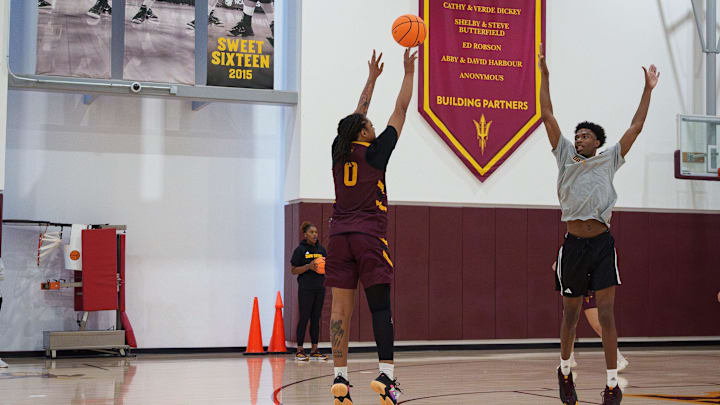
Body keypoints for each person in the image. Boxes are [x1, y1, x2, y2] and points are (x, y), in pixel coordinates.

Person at [539, 43, 659, 405]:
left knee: (606, 313)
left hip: (602, 244)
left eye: (585, 136)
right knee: (571, 316)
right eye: (577, 135)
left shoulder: (610, 159)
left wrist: (648, 90)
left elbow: (636, 126)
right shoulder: (565, 157)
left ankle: (611, 384)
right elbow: (546, 116)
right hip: (574, 245)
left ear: (598, 143)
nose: (579, 138)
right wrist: (544, 77)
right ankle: (564, 371)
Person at [326, 48, 416, 405]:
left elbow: (356, 114)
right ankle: (386, 377)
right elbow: (402, 109)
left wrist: (372, 80)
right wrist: (408, 73)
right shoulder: (377, 151)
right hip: (368, 236)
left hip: (338, 237)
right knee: (380, 308)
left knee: (338, 312)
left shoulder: (338, 150)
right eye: (369, 125)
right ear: (364, 133)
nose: (373, 124)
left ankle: (340, 379)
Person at [552, 262, 629, 371]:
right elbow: (555, 265)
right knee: (569, 326)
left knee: (598, 325)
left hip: (586, 290)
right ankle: (569, 360)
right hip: (571, 290)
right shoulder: (567, 249)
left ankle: (619, 358)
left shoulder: (589, 250)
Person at [289, 222, 328, 361]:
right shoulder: (300, 250)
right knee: (304, 317)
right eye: (311, 232)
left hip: (319, 287)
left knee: (316, 319)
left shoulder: (322, 250)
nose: (315, 234)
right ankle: (300, 350)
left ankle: (314, 349)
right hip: (306, 288)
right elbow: (293, 270)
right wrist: (308, 267)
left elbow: (326, 267)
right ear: (305, 234)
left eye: (316, 232)